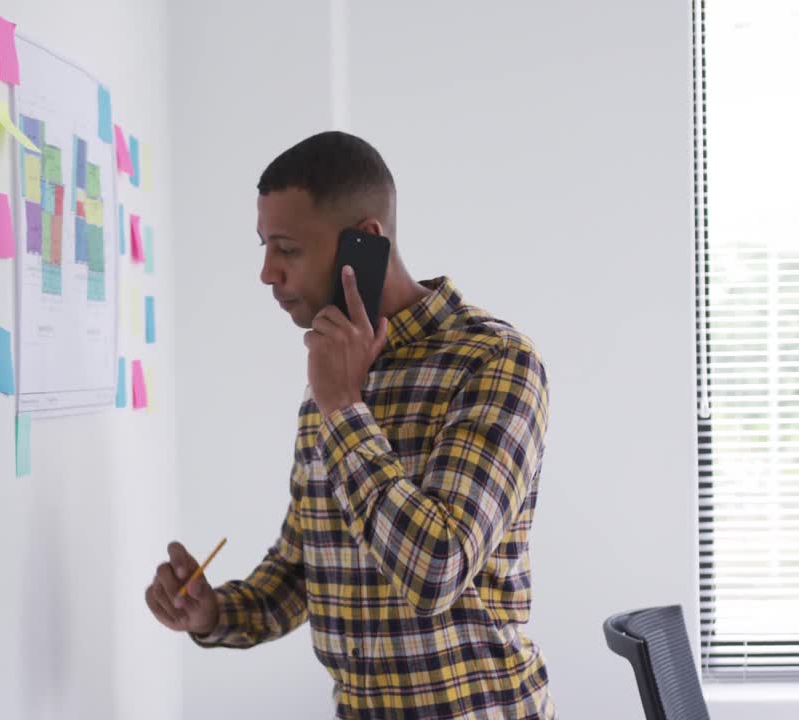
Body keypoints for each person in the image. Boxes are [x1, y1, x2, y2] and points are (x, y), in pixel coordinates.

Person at [144, 131, 555, 719]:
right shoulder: (332, 384)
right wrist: (212, 614)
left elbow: (437, 569)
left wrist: (342, 409)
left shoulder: (494, 364)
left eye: (286, 249)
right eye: (264, 247)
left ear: (363, 243)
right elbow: (300, 571)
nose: (266, 273)